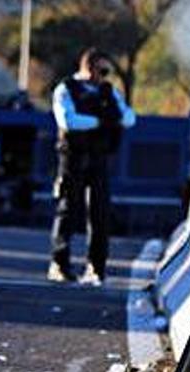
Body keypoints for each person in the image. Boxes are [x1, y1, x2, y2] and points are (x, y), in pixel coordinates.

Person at [48, 47, 135, 286]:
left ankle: (96, 267)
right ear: (88, 67)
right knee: (67, 209)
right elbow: (67, 120)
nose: (104, 76)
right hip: (72, 158)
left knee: (99, 213)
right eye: (102, 69)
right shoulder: (66, 89)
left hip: (98, 158)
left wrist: (109, 119)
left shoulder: (107, 92)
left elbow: (129, 118)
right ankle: (59, 264)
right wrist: (100, 121)